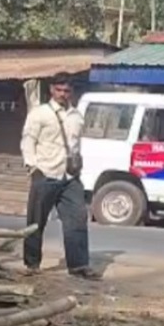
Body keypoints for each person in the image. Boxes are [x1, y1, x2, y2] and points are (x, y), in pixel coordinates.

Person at [20, 72, 98, 280]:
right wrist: (32, 168)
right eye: (59, 90)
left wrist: (77, 164)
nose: (63, 94)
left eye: (67, 91)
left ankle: (79, 265)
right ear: (51, 90)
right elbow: (28, 141)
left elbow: (75, 144)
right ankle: (32, 264)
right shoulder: (39, 114)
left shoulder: (76, 116)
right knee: (36, 222)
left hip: (69, 177)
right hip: (45, 172)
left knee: (77, 220)